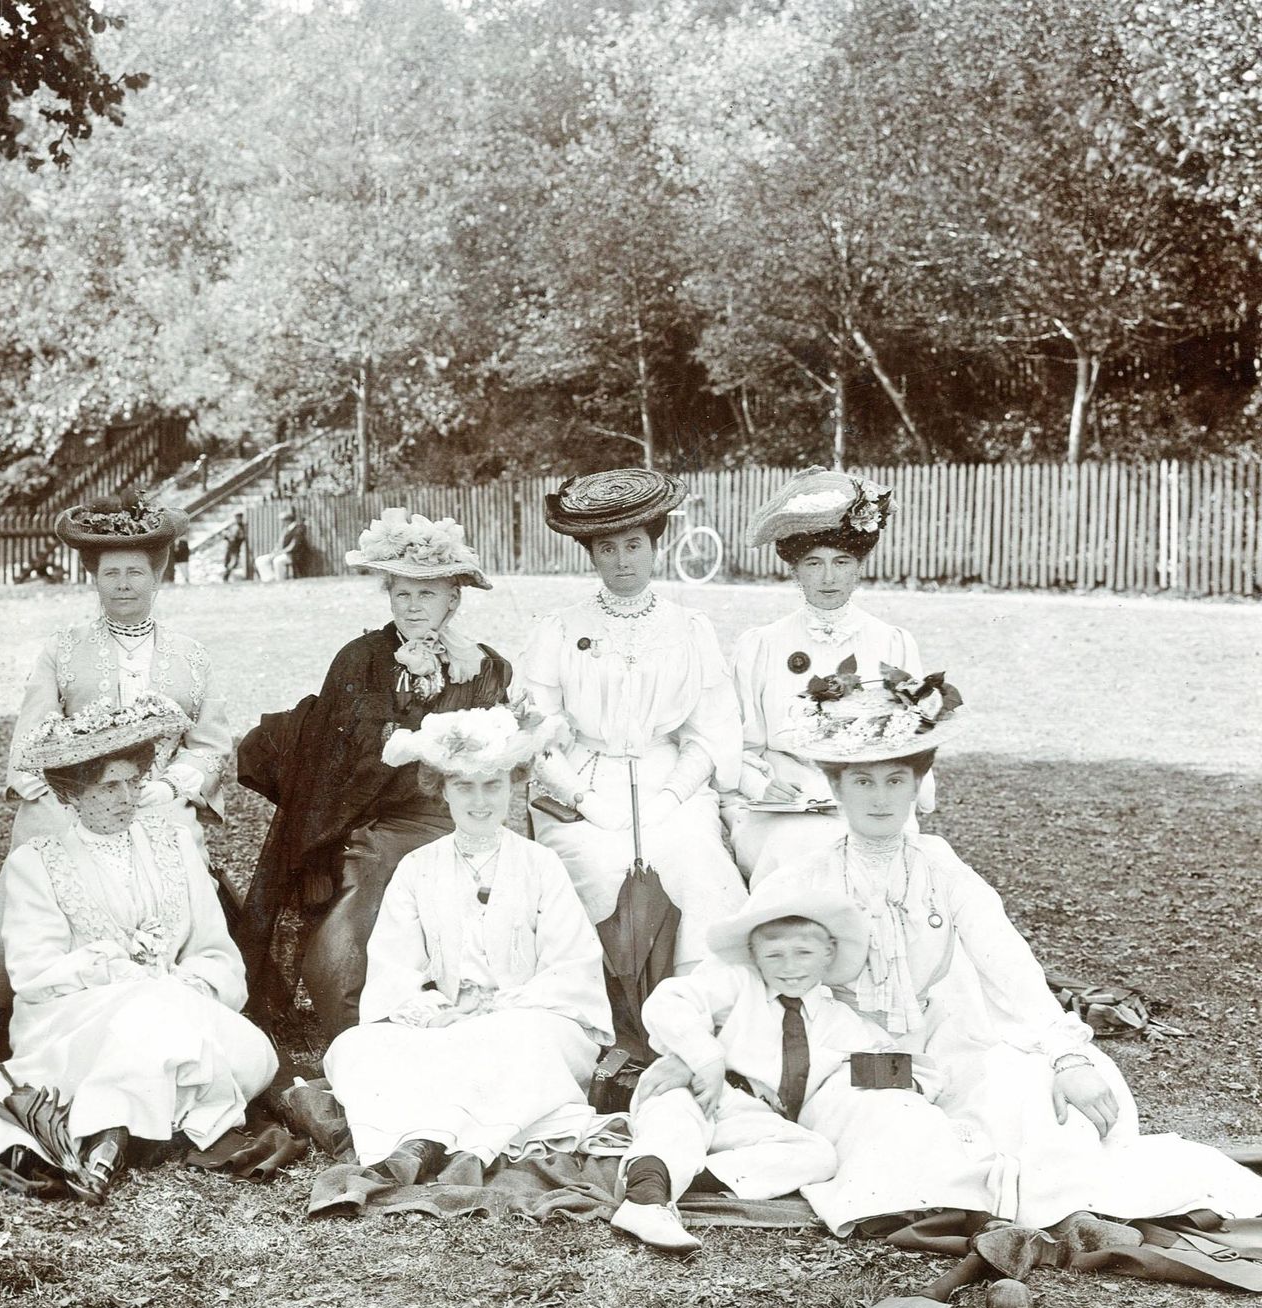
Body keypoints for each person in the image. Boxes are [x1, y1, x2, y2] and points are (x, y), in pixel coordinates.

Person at [729, 665, 1262, 1228]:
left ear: (917, 784)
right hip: (847, 1059)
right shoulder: (801, 879)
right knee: (897, 1124)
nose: (880, 799)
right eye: (861, 782)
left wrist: (1068, 1056)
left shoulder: (941, 868)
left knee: (1029, 1097)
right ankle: (964, 1193)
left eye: (895, 780)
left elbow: (1010, 969)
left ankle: (1021, 1193)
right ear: (835, 787)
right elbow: (738, 985)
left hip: (943, 1044)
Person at [0, 696, 278, 1203]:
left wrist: (181, 983)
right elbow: (34, 973)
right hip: (73, 1019)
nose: (126, 797)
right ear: (71, 795)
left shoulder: (175, 845)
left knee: (234, 1047)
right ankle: (112, 1142)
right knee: (149, 1018)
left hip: (185, 1008)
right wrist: (112, 971)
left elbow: (216, 952)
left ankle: (112, 1130)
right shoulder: (37, 863)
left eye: (134, 781)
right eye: (108, 786)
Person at [0, 495, 232, 1033]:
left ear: (157, 578)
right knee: (26, 878)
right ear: (93, 579)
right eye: (111, 573)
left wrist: (173, 787)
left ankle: (171, 1001)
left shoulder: (192, 656)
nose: (124, 584)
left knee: (179, 880)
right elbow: (35, 731)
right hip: (72, 797)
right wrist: (64, 795)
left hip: (157, 801)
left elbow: (212, 743)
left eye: (135, 572)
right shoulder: (63, 648)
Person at [237, 509, 512, 1033]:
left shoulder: (484, 665)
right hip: (370, 815)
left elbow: (487, 751)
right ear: (388, 596)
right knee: (370, 889)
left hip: (450, 813)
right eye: (402, 593)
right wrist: (411, 730)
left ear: (454, 599)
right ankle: (359, 1020)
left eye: (428, 594)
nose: (413, 606)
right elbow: (345, 757)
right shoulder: (361, 658)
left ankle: (469, 1009)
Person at [321, 707, 614, 1175]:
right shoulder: (417, 867)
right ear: (442, 791)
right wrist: (438, 1013)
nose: (480, 801)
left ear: (513, 785)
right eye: (464, 786)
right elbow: (394, 967)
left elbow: (571, 965)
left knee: (513, 1041)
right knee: (355, 1048)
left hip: (528, 1021)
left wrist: (501, 1008)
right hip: (444, 1026)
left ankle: (438, 1138)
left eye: (492, 785)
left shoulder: (542, 864)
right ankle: (434, 1138)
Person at [617, 887, 987, 1251]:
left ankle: (679, 1179)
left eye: (804, 953)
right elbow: (670, 1001)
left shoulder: (837, 1020)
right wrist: (702, 1059)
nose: (790, 967)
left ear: (828, 955)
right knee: (674, 1111)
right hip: (702, 1091)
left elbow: (909, 1069)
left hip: (755, 1118)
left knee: (818, 1155)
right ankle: (646, 1201)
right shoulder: (737, 984)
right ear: (754, 955)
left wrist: (889, 1082)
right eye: (774, 955)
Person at [520, 468, 749, 975]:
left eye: (633, 544)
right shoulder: (560, 629)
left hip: (669, 775)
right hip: (583, 775)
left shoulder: (689, 628)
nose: (622, 560)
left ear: (654, 546)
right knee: (591, 862)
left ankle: (702, 1002)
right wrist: (587, 802)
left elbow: (710, 731)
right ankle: (607, 1013)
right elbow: (538, 734)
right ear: (591, 554)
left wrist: (669, 799)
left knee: (694, 855)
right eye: (606, 548)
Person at [723, 468, 932, 881]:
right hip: (787, 797)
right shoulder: (762, 645)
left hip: (871, 797)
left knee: (880, 858)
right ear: (794, 570)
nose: (829, 577)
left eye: (842, 562)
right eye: (813, 563)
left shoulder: (892, 642)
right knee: (801, 853)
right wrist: (755, 785)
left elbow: (915, 738)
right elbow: (738, 742)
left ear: (860, 567)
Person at [221, 511, 248, 582]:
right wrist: (227, 535)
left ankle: (226, 577)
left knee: (234, 563)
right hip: (230, 547)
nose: (237, 519)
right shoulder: (233, 526)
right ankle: (226, 578)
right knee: (227, 563)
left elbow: (242, 537)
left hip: (236, 548)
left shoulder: (242, 526)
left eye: (238, 518)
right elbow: (226, 536)